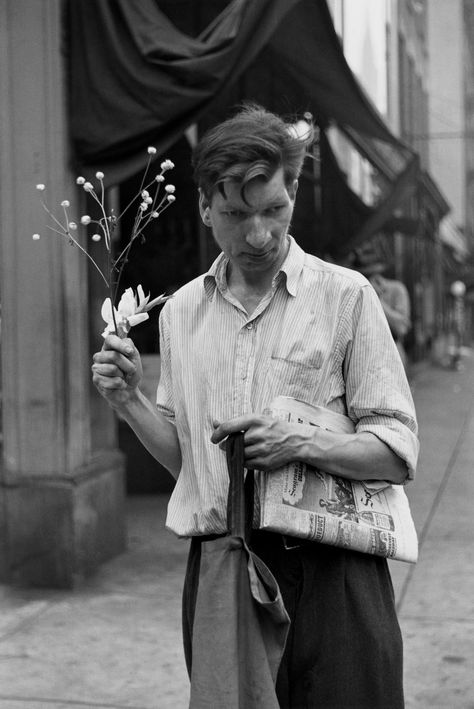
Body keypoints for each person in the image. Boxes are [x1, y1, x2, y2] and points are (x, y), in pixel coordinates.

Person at [92, 104, 419, 709]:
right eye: (236, 215)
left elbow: (397, 453)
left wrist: (299, 442)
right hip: (222, 569)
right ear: (204, 208)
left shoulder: (346, 297)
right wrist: (129, 400)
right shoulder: (182, 312)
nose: (259, 235)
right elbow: (192, 466)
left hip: (334, 574)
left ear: (293, 191)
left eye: (273, 209)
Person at [354, 251, 412, 369]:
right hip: (362, 357)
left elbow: (402, 328)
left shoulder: (396, 289)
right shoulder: (354, 290)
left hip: (392, 355)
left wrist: (376, 298)